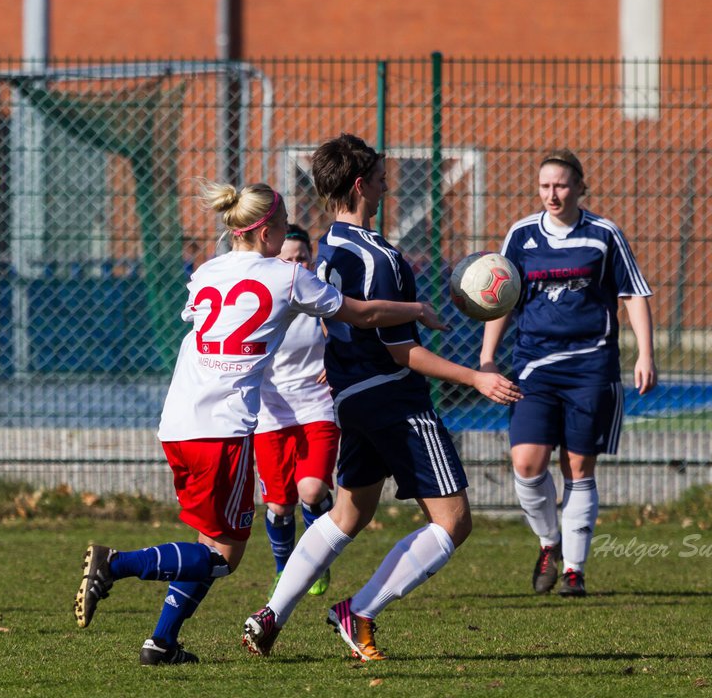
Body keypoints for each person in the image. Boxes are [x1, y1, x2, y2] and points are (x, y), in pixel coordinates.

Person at [73, 180, 445, 666]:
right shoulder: (287, 276)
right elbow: (363, 312)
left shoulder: (207, 271)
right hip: (221, 431)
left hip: (178, 423)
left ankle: (160, 643)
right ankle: (115, 564)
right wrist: (418, 309)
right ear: (268, 231)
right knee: (223, 558)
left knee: (209, 540)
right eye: (286, 222)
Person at [242, 133, 522, 662]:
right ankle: (360, 611)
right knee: (453, 522)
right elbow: (402, 355)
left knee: (349, 512)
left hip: (351, 400)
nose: (387, 182)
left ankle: (271, 613)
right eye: (379, 175)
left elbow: (342, 325)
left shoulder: (328, 249)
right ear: (360, 184)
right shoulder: (380, 258)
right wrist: (476, 378)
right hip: (396, 402)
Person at [478, 149, 656, 598]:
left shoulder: (603, 234)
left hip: (591, 366)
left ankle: (575, 569)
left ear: (579, 187)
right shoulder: (521, 235)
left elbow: (633, 293)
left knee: (578, 465)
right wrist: (486, 358)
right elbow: (501, 297)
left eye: (560, 185)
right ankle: (548, 543)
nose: (552, 194)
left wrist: (644, 354)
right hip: (534, 367)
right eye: (544, 186)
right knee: (526, 462)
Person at [254, 223, 337, 598]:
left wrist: (338, 362)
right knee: (279, 505)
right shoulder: (264, 299)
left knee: (312, 489)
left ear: (311, 260)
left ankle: (317, 561)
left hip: (316, 406)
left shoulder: (321, 295)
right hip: (271, 412)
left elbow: (348, 331)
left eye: (302, 258)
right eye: (287, 259)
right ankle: (283, 568)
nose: (296, 266)